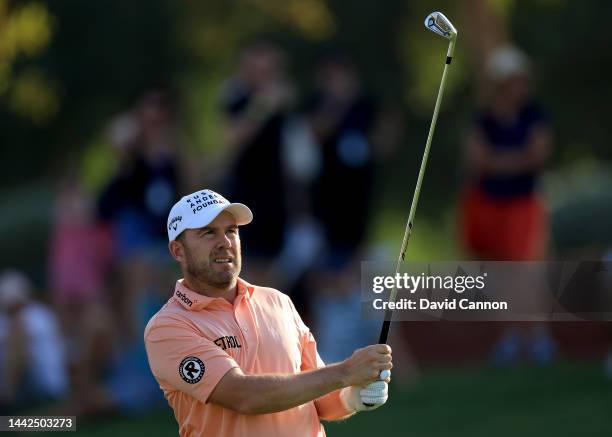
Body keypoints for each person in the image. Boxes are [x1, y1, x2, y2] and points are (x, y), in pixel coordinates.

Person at [144, 189, 392, 437]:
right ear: (178, 251)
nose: (225, 242)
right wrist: (345, 372)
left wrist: (352, 396)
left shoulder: (278, 302)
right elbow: (245, 396)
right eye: (208, 232)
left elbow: (319, 398)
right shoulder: (168, 327)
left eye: (231, 230)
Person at [459, 45, 556, 365]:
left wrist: (498, 162)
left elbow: (537, 156)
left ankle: (536, 335)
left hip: (523, 204)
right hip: (491, 205)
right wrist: (515, 160)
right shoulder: (484, 119)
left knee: (525, 269)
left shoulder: (534, 114)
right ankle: (512, 335)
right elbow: (477, 160)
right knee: (499, 272)